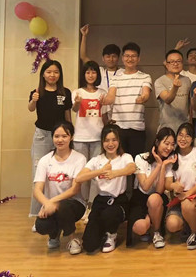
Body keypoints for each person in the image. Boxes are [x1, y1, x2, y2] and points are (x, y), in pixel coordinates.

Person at [76, 123, 135, 253]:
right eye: (107, 140)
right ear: (102, 142)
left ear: (119, 141)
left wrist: (115, 173)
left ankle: (111, 235)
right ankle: (101, 232)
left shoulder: (125, 157)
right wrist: (100, 171)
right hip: (101, 201)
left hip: (119, 201)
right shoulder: (96, 160)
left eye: (114, 140)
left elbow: (132, 168)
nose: (110, 144)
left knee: (109, 214)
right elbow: (79, 178)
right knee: (89, 246)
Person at [33, 121, 86, 255]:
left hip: (74, 204)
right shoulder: (45, 160)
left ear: (71, 137)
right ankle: (54, 235)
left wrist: (53, 202)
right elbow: (37, 190)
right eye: (56, 136)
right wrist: (46, 203)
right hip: (51, 204)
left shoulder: (79, 158)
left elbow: (74, 190)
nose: (60, 140)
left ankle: (73, 239)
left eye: (64, 136)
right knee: (41, 226)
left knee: (63, 207)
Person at [28, 60, 72, 217]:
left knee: (59, 173)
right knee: (38, 174)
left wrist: (70, 135)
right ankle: (36, 214)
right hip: (42, 136)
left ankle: (56, 209)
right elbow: (30, 108)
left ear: (60, 74)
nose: (52, 75)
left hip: (60, 137)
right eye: (49, 72)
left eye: (56, 72)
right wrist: (34, 99)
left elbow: (67, 115)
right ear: (43, 74)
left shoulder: (65, 92)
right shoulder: (37, 91)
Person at [127, 127, 177, 249]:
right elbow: (145, 186)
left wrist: (163, 166)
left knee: (154, 198)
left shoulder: (169, 162)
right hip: (140, 197)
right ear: (157, 142)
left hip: (158, 199)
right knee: (140, 227)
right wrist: (158, 165)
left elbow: (159, 191)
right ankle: (149, 223)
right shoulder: (140, 158)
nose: (169, 147)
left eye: (172, 144)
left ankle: (156, 232)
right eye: (166, 143)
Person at [102, 42, 152, 158]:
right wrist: (104, 100)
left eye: (133, 56)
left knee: (136, 162)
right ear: (123, 58)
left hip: (137, 127)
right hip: (118, 128)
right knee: (118, 161)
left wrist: (143, 97)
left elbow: (146, 93)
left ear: (138, 59)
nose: (130, 59)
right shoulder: (115, 78)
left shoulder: (145, 77)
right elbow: (111, 96)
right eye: (127, 56)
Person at [165, 122, 196, 250]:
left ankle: (195, 233)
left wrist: (188, 194)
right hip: (178, 197)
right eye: (180, 135)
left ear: (192, 139)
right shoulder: (172, 156)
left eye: (187, 136)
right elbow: (167, 183)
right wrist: (174, 186)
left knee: (186, 204)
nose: (183, 139)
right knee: (172, 225)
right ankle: (190, 225)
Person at [71, 61, 109, 204]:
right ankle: (81, 202)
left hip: (98, 138)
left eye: (93, 72)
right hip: (80, 138)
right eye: (88, 72)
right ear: (84, 74)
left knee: (95, 173)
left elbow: (104, 116)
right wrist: (77, 102)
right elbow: (74, 110)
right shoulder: (77, 92)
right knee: (82, 173)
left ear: (97, 75)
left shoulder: (102, 93)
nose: (91, 75)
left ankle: (92, 204)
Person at [154, 49, 191, 133]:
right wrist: (175, 87)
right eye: (172, 62)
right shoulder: (160, 81)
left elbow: (190, 105)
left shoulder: (187, 80)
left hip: (184, 128)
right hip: (166, 129)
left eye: (178, 61)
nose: (175, 64)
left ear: (182, 63)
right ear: (167, 65)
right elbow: (167, 100)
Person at [79, 24, 123, 91]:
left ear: (118, 58)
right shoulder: (99, 71)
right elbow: (83, 56)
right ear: (103, 58)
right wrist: (84, 36)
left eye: (114, 56)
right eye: (108, 56)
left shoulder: (123, 72)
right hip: (100, 97)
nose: (111, 59)